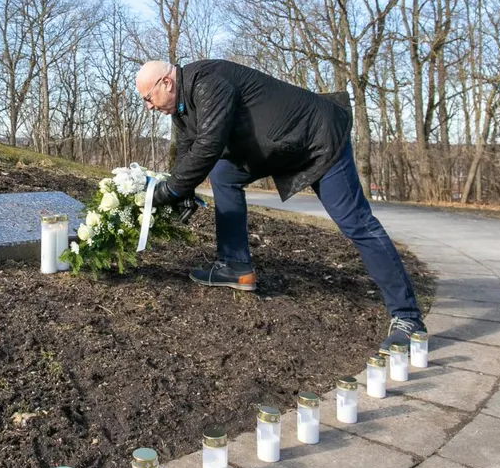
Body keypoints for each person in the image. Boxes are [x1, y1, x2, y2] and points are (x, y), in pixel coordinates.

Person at [135, 58, 425, 347]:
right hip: (279, 148)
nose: (148, 106)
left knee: (356, 223)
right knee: (223, 175)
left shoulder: (208, 82)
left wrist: (171, 191)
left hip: (317, 139)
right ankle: (236, 265)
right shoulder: (183, 108)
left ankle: (407, 316)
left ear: (167, 83)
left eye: (148, 98)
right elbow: (188, 150)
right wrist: (179, 188)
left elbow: (210, 144)